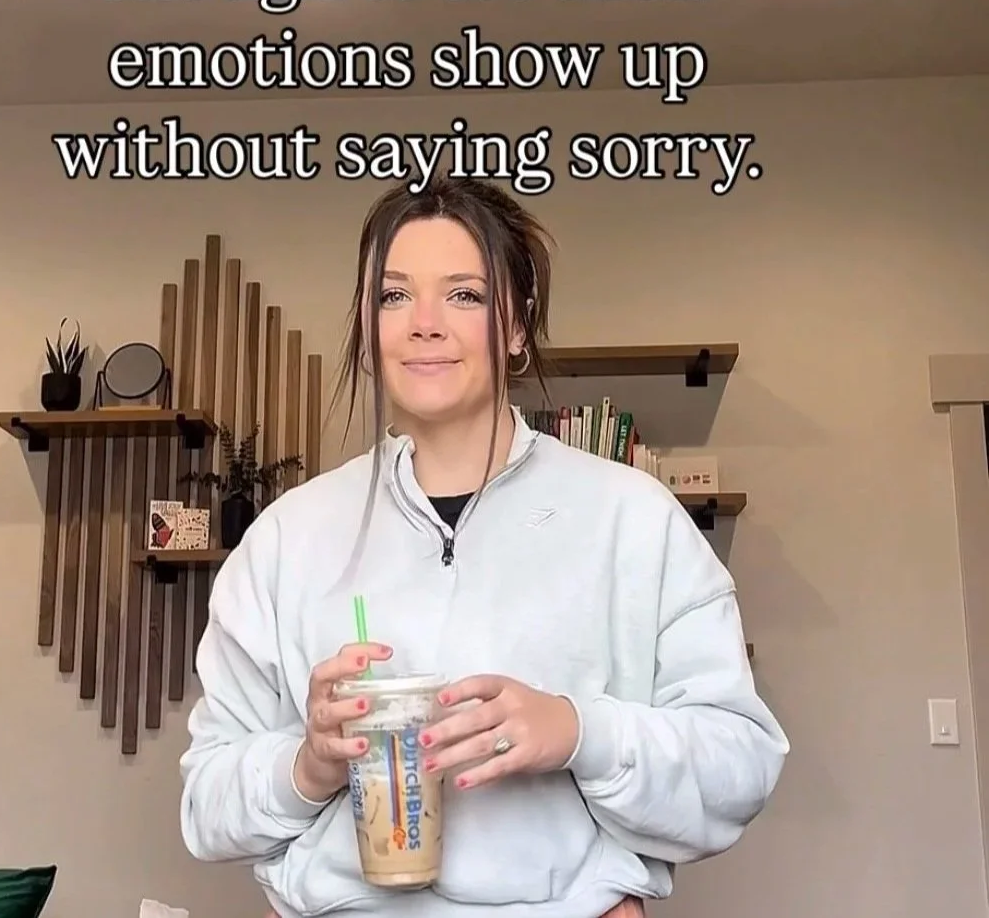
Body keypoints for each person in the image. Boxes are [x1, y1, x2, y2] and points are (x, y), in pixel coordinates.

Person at [179, 175, 789, 918]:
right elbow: (205, 804)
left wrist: (576, 730)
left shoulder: (632, 518)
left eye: (463, 294)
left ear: (515, 327)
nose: (423, 323)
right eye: (393, 295)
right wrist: (307, 763)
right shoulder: (286, 537)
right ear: (368, 331)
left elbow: (742, 765)